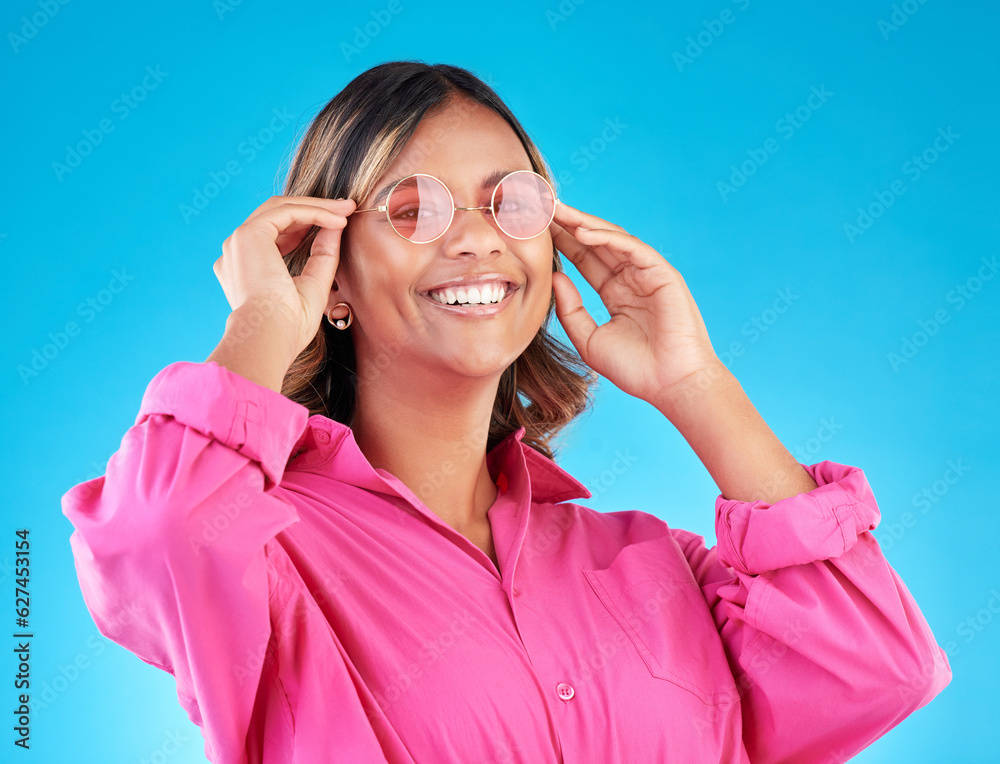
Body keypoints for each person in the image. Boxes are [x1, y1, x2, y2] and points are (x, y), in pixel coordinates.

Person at [61, 61, 952, 764]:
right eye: (414, 210)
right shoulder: (268, 553)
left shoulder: (650, 567)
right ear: (328, 277)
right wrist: (259, 325)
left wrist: (697, 385)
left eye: (510, 201)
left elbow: (876, 667)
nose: (478, 236)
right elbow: (154, 540)